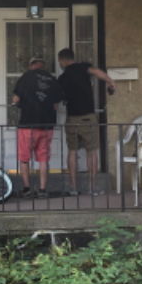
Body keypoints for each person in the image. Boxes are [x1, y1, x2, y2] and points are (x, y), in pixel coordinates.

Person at [57, 48, 115, 196]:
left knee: (72, 151)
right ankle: (92, 187)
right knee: (91, 151)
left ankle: (73, 187)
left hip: (71, 118)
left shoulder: (62, 78)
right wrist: (110, 80)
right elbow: (96, 71)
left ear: (62, 61)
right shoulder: (83, 67)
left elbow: (57, 100)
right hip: (88, 117)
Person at [12, 56, 64, 198]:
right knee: (43, 159)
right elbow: (55, 105)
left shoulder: (26, 77)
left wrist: (20, 104)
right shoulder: (52, 79)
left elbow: (16, 99)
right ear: (43, 66)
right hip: (46, 126)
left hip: (27, 125)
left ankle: (27, 189)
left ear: (31, 65)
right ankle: (42, 190)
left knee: (24, 158)